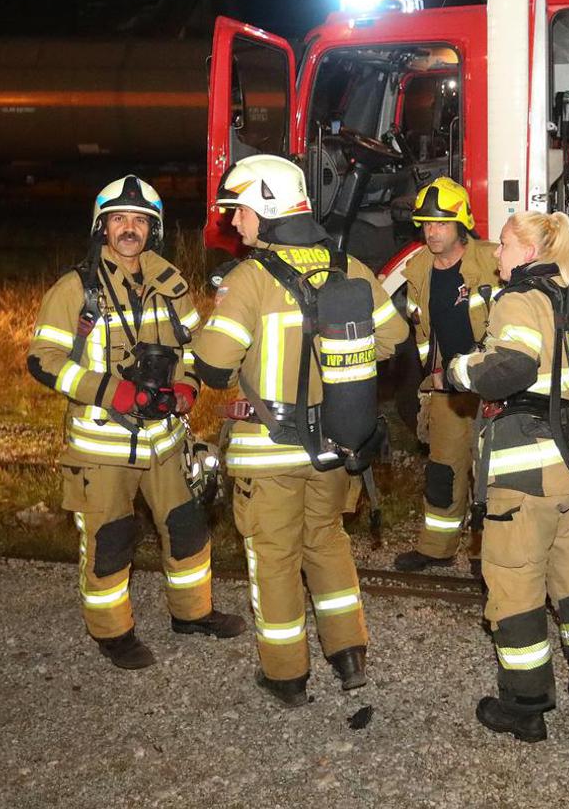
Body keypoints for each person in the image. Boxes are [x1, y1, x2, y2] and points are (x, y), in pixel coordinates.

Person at [191, 154, 408, 706]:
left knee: (275, 560)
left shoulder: (249, 280)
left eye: (239, 211)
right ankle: (349, 654)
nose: (233, 222)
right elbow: (395, 338)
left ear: (265, 211)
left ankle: (286, 675)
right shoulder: (348, 268)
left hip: (269, 454)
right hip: (335, 446)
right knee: (329, 544)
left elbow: (215, 366)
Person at [27, 175, 245, 670]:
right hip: (102, 446)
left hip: (165, 440)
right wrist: (113, 391)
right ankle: (113, 633)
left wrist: (188, 386)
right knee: (110, 541)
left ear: (154, 229)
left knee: (188, 529)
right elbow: (43, 359)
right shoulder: (75, 289)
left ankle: (193, 613)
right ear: (102, 227)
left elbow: (195, 348)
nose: (130, 229)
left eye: (140, 221)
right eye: (119, 220)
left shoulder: (171, 285)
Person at [447, 211, 569, 742]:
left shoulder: (518, 299)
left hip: (525, 473)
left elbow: (510, 367)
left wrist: (460, 369)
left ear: (530, 252)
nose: (496, 253)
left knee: (515, 589)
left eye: (506, 244)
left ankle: (526, 705)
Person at [393, 177, 502, 572]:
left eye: (441, 223)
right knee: (443, 468)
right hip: (444, 387)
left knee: (491, 474)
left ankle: (485, 552)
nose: (431, 232)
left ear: (461, 224)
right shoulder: (418, 269)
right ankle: (436, 547)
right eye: (425, 223)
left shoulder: (492, 262)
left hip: (490, 385)